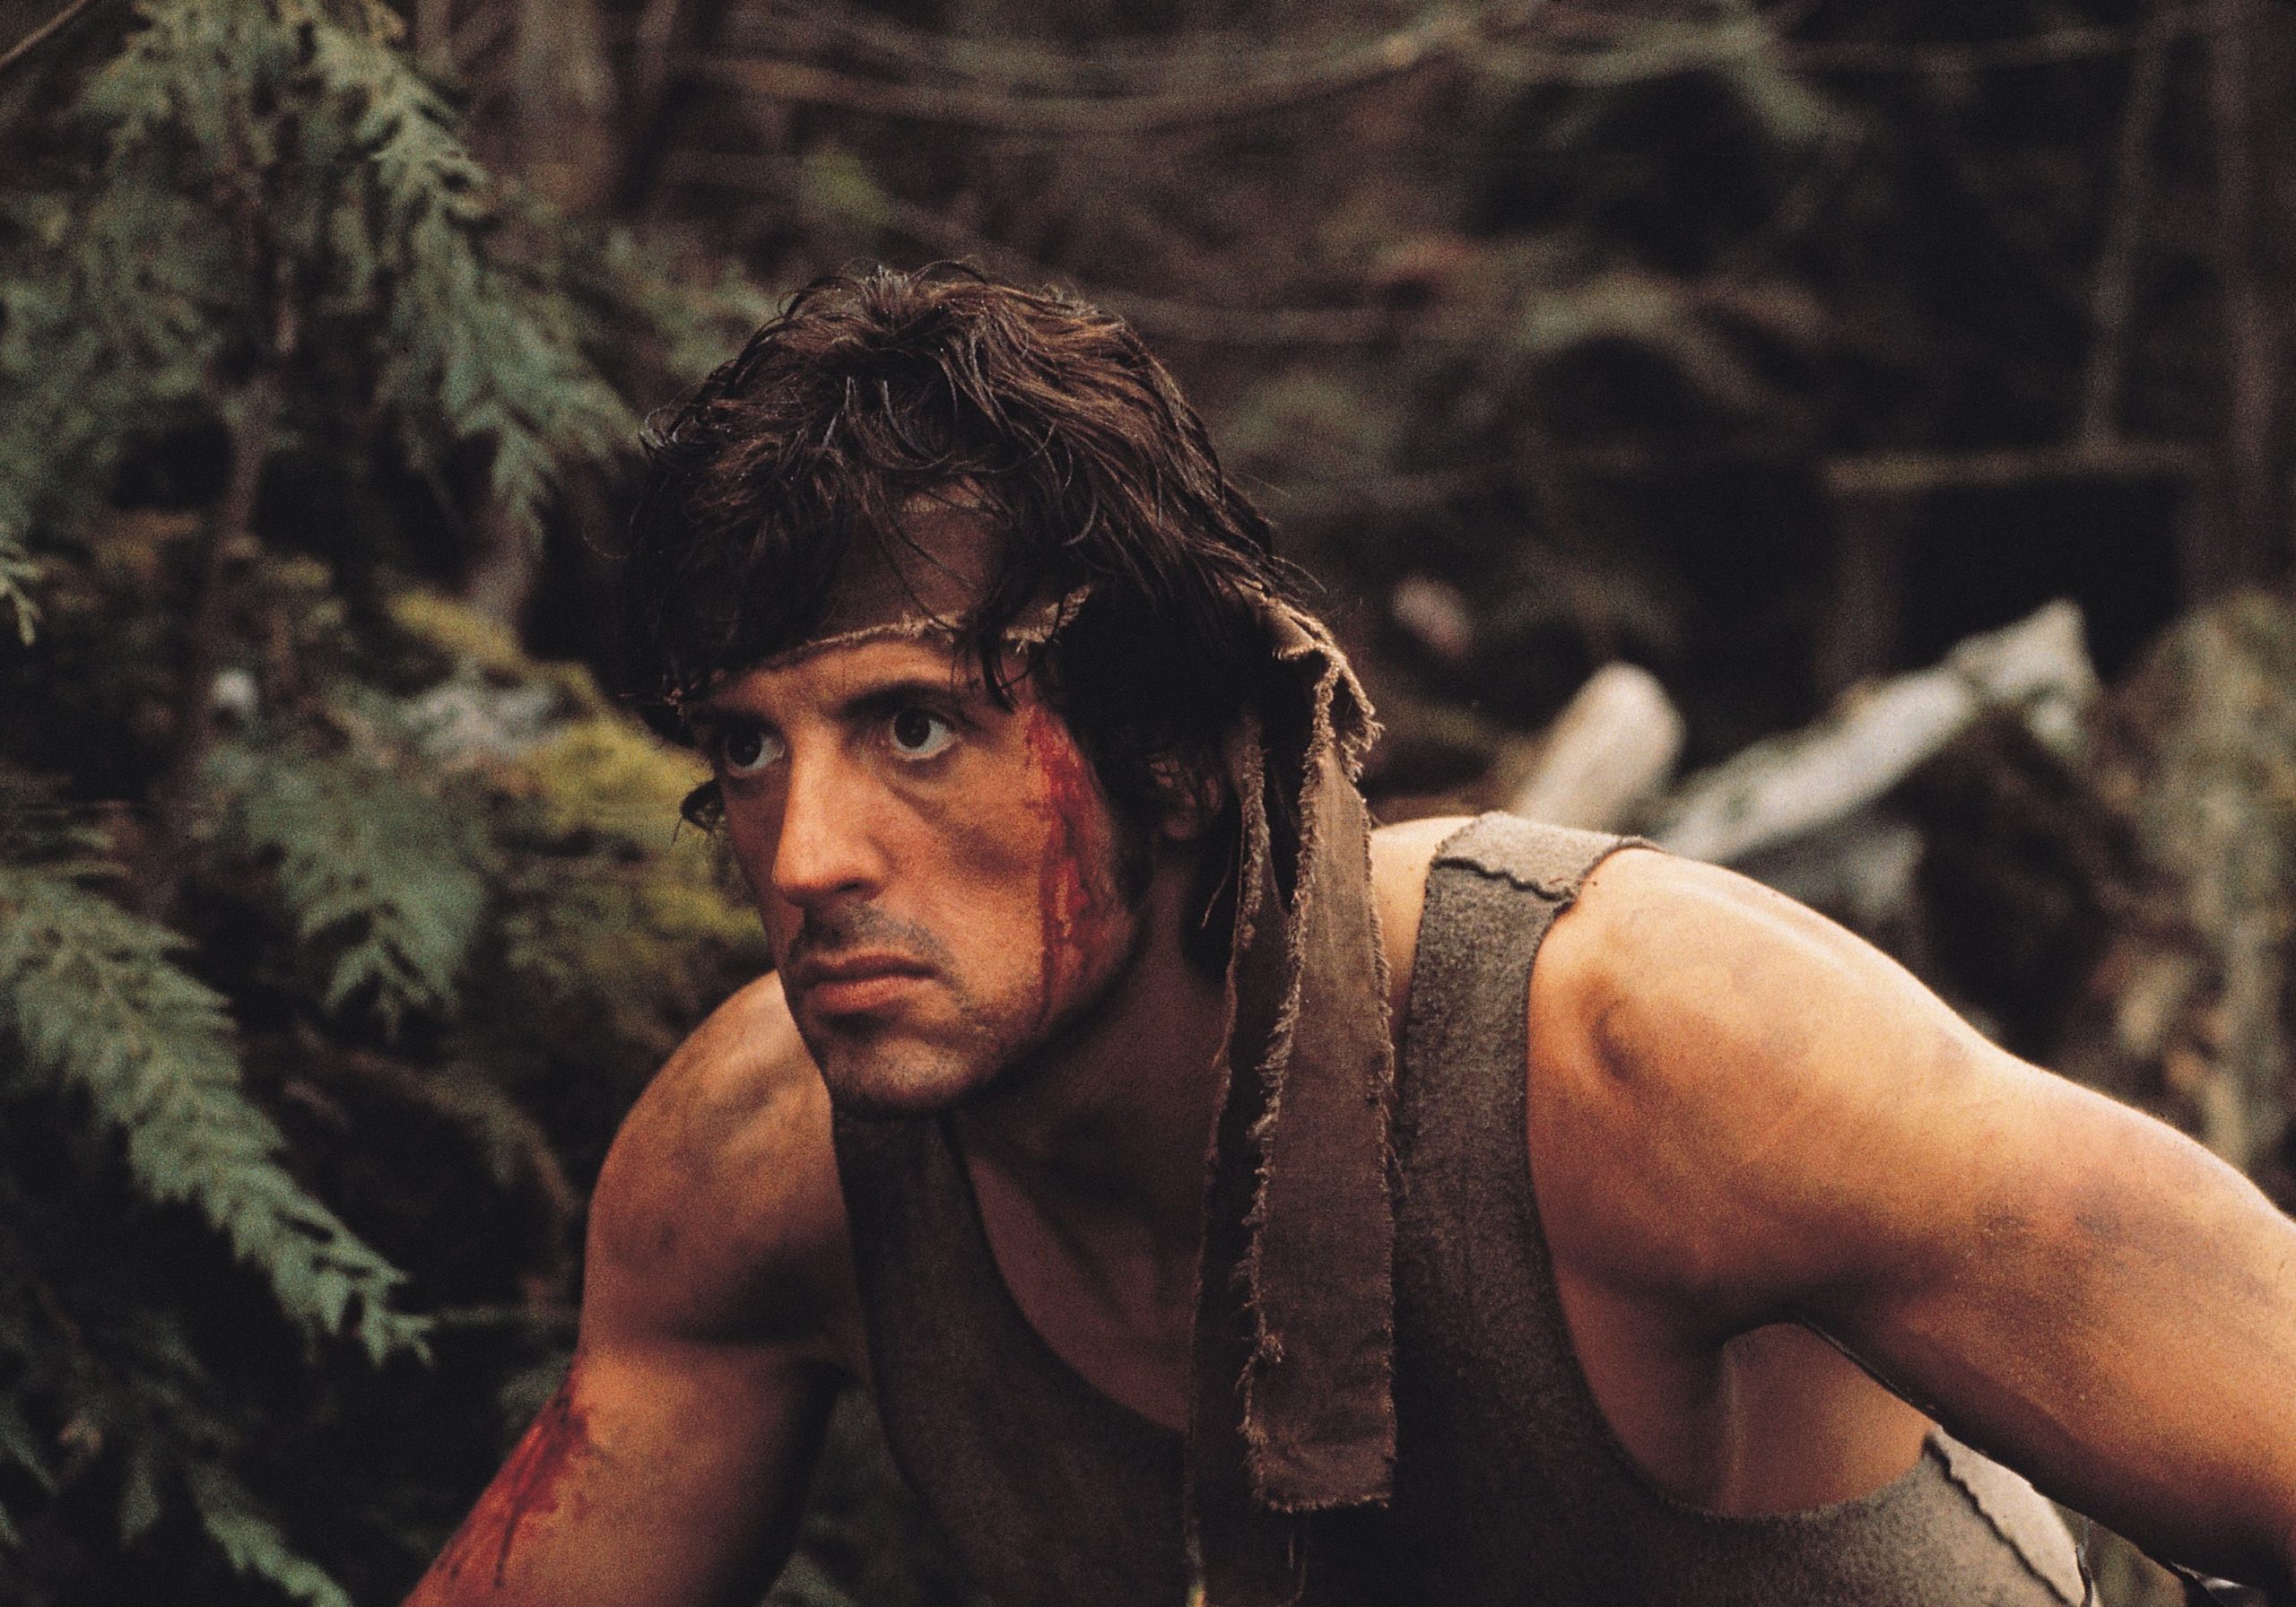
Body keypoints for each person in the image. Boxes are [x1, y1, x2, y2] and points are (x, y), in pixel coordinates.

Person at [404, 265, 2296, 1607]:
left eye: (916, 728)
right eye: (747, 748)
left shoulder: (1643, 1042)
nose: (805, 855)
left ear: (1167, 744)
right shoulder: (754, 1172)